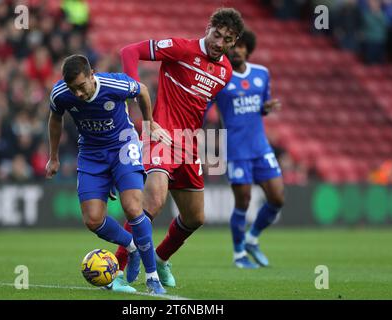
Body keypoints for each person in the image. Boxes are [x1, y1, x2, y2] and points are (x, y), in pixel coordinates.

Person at [113, 8, 245, 288]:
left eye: (227, 39)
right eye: (216, 34)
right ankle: (118, 269)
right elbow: (129, 51)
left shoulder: (226, 71)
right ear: (208, 27)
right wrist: (133, 90)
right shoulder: (181, 48)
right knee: (153, 202)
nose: (219, 42)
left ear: (233, 43)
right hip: (160, 132)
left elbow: (198, 104)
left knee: (195, 217)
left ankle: (161, 258)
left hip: (189, 144)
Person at [45, 54, 171, 294]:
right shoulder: (60, 94)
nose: (78, 94)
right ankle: (131, 247)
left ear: (92, 75)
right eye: (73, 89)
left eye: (82, 87)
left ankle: (153, 276)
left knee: (133, 208)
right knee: (92, 220)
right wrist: (54, 157)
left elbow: (142, 90)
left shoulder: (115, 84)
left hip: (123, 146)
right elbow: (55, 118)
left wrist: (149, 123)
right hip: (91, 154)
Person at [211, 29, 285, 269]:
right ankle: (239, 254)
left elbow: (260, 107)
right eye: (233, 46)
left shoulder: (262, 73)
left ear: (248, 49)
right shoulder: (220, 77)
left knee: (277, 198)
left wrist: (266, 107)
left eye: (242, 46)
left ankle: (252, 239)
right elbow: (203, 108)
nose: (237, 50)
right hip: (236, 150)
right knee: (243, 202)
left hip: (260, 147)